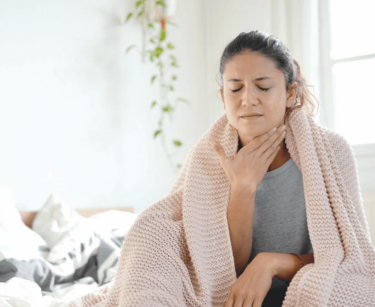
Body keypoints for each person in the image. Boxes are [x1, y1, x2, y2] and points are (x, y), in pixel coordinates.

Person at [210, 30, 318, 307]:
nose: (247, 99)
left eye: (263, 87)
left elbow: (350, 256)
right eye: (235, 88)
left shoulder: (326, 156)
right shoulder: (210, 162)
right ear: (223, 96)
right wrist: (242, 189)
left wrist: (272, 263)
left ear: (289, 93)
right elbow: (221, 271)